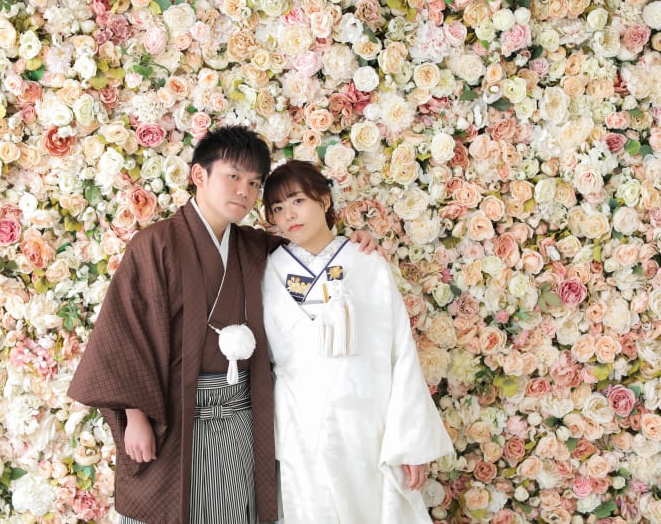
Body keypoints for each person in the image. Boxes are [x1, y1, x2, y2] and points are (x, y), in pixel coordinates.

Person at [67, 127, 377, 524]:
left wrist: (350, 246)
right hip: (173, 415)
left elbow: (310, 252)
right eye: (233, 176)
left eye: (254, 183)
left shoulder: (253, 246)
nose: (244, 191)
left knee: (230, 510)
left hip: (238, 415)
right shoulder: (155, 244)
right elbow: (128, 329)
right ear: (199, 175)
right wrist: (135, 416)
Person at [261, 160, 454, 524]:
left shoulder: (365, 261)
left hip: (367, 423)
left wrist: (409, 443)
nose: (289, 215)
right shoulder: (268, 270)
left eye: (298, 200)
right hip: (301, 426)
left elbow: (400, 352)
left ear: (323, 199)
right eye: (278, 208)